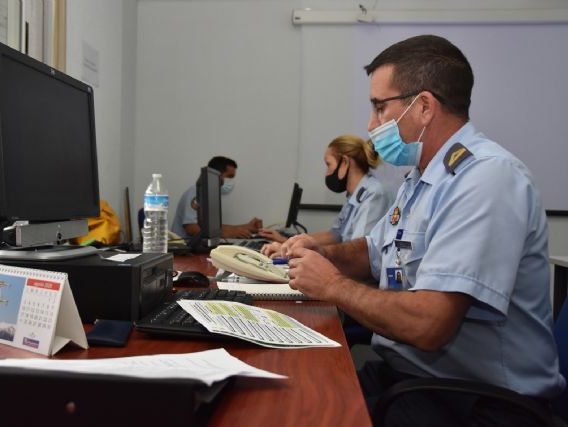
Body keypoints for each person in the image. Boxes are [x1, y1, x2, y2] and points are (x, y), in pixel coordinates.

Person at [281, 35, 565, 425]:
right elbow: (372, 252)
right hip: (417, 381)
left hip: (479, 405)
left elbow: (430, 324)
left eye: (380, 108)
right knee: (292, 391)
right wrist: (320, 255)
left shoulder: (486, 179)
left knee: (303, 413)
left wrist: (330, 285)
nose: (371, 125)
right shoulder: (421, 178)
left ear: (425, 106)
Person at [260, 135, 391, 257]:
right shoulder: (355, 196)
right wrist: (290, 243)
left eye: (328, 164)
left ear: (345, 162)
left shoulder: (374, 194)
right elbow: (335, 235)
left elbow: (357, 252)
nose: (327, 172)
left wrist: (297, 251)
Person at [171, 156, 262, 239]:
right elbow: (191, 228)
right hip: (184, 249)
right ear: (217, 174)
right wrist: (226, 234)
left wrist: (246, 227)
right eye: (230, 176)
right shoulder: (196, 191)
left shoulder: (211, 193)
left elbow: (212, 228)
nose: (231, 181)